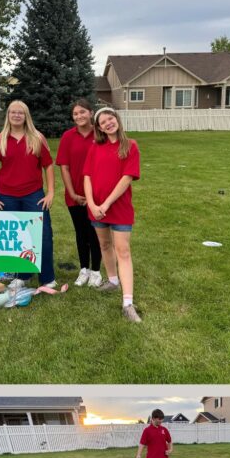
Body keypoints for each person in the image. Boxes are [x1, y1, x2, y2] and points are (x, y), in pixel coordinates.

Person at [0, 101, 56, 287]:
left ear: (26, 116)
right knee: (15, 238)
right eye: (12, 112)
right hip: (7, 197)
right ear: (8, 115)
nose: (16, 115)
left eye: (20, 112)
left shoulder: (37, 138)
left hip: (34, 195)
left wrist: (51, 192)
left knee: (43, 235)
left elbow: (48, 165)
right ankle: (22, 276)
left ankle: (47, 278)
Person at [83, 107, 141, 322]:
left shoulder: (130, 146)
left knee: (123, 251)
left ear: (117, 119)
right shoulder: (95, 147)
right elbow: (87, 176)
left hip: (119, 208)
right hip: (96, 208)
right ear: (98, 127)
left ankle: (128, 303)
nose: (108, 123)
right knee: (105, 245)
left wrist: (106, 203)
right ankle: (113, 280)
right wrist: (91, 203)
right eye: (103, 121)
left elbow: (127, 178)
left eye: (111, 118)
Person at [56, 99, 102, 288]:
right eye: (75, 114)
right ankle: (84, 269)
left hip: (98, 195)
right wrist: (73, 193)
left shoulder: (100, 134)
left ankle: (96, 271)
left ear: (91, 113)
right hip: (74, 195)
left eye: (82, 112)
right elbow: (64, 167)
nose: (79, 116)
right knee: (81, 233)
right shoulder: (68, 136)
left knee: (96, 233)